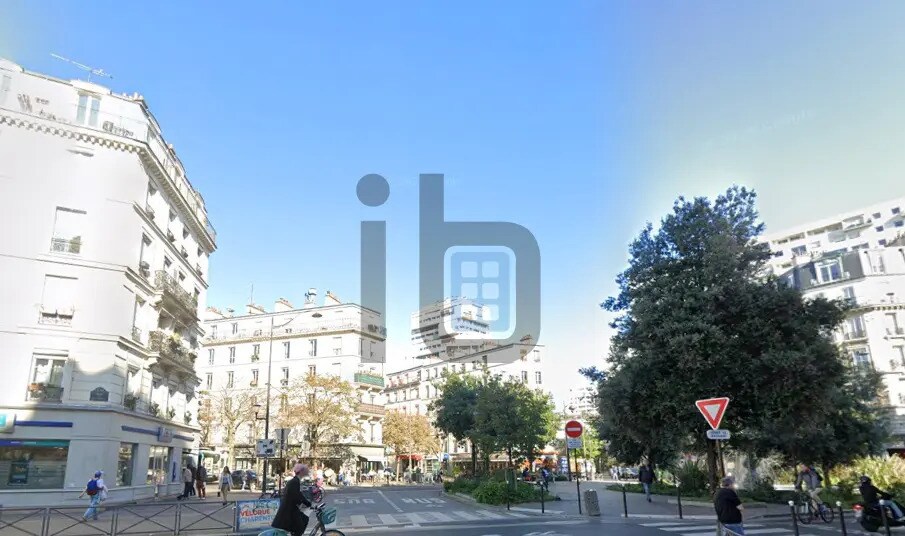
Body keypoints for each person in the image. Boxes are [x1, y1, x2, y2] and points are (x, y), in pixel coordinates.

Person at [272, 463, 313, 536]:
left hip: (290, 509)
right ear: (301, 472)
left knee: (303, 520)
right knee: (300, 526)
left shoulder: (295, 481)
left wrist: (307, 503)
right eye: (305, 471)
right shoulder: (294, 482)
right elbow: (296, 496)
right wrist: (304, 503)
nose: (307, 473)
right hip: (289, 510)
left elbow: (298, 494)